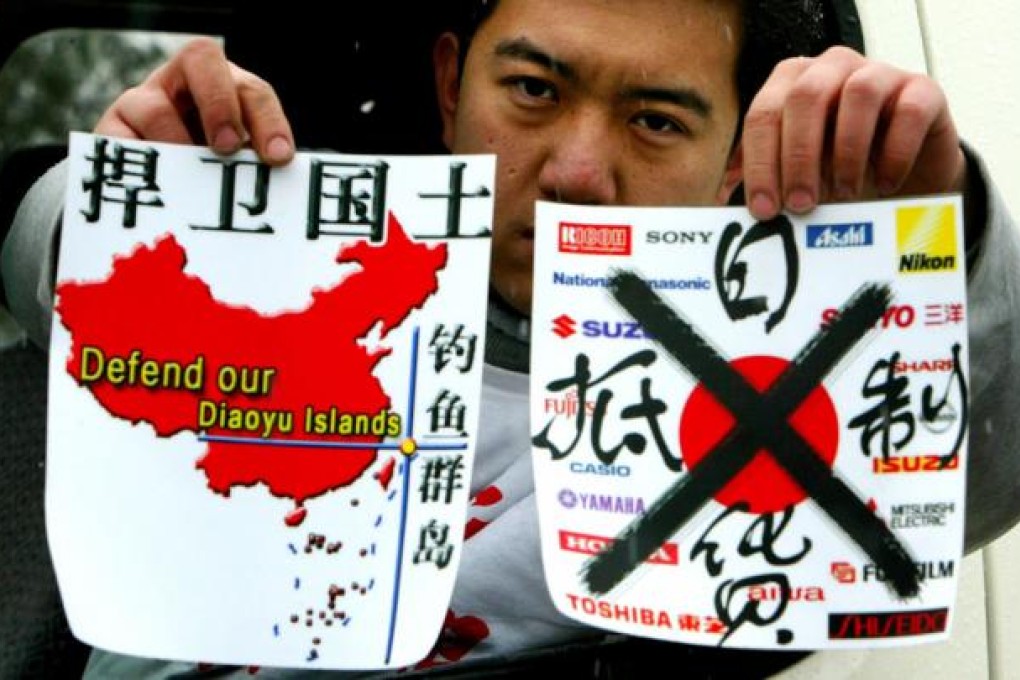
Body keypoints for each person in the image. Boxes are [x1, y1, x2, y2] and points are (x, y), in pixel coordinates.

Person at [3, 0, 1019, 677]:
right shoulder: (291, 283)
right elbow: (31, 240)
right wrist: (130, 210)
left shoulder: (786, 362)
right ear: (451, 86)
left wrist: (941, 237)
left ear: (733, 156)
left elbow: (977, 475)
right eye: (534, 91)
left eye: (656, 120)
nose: (579, 168)